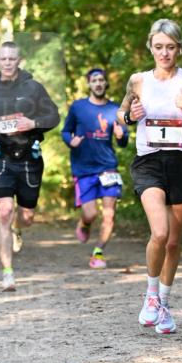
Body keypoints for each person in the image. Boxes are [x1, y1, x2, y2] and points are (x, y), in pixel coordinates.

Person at [117, 18, 182, 334]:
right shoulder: (138, 81)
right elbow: (121, 115)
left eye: (170, 47)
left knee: (173, 243)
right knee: (159, 233)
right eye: (159, 47)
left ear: (179, 49)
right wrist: (128, 117)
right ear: (150, 47)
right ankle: (150, 297)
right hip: (148, 162)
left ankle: (164, 304)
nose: (164, 53)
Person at [0, 41, 60, 291]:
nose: (7, 63)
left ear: (19, 60)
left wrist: (33, 124)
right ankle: (8, 272)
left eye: (12, 59)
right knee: (5, 211)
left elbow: (54, 116)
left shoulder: (33, 87)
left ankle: (19, 228)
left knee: (26, 217)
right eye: (3, 59)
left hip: (30, 158)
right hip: (0, 157)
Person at [61, 68, 128, 269]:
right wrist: (70, 141)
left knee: (109, 215)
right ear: (89, 84)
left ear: (106, 84)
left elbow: (123, 141)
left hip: (108, 168)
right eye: (94, 80)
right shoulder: (78, 107)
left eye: (101, 80)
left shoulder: (115, 109)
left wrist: (120, 136)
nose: (98, 83)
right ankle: (85, 223)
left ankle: (98, 253)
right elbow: (65, 131)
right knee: (90, 214)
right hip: (84, 168)